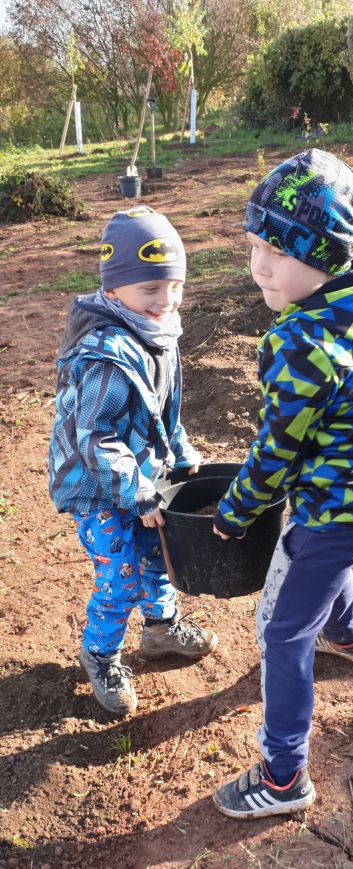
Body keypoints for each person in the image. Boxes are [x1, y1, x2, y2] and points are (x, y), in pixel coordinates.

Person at [211, 149, 353, 819]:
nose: (259, 266)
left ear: (324, 255)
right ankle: (348, 637)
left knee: (281, 630)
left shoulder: (301, 343)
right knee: (329, 565)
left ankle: (283, 777)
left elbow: (276, 452)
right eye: (254, 246)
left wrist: (234, 512)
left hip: (332, 508)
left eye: (278, 250)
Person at [48, 206, 217, 716]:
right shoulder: (105, 356)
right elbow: (95, 439)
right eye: (150, 289)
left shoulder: (155, 333)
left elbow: (163, 412)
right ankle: (100, 655)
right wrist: (139, 492)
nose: (166, 300)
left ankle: (161, 629)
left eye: (175, 286)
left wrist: (180, 452)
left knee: (158, 552)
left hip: (139, 477)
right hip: (96, 486)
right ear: (114, 286)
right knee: (121, 575)